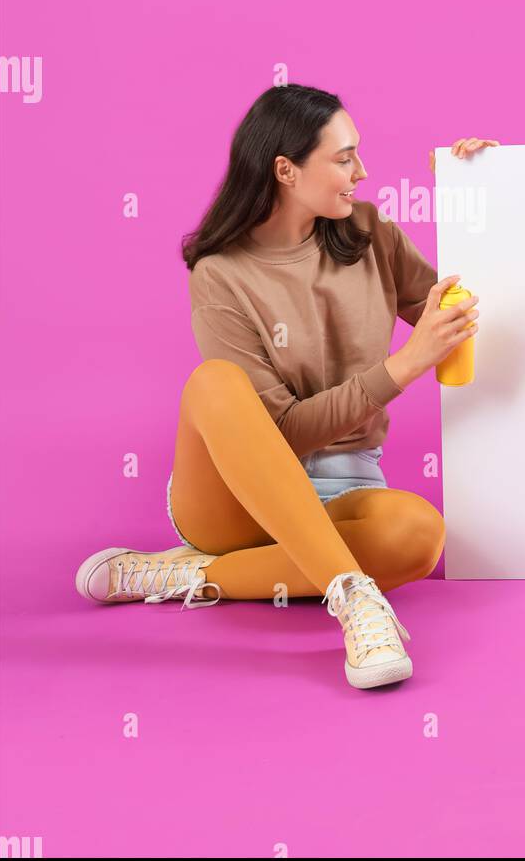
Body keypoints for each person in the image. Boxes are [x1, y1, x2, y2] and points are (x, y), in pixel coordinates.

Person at [75, 81, 498, 690]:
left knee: (419, 536)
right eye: (344, 157)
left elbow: (466, 310)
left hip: (349, 485)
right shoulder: (221, 276)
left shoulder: (370, 233)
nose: (364, 170)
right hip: (234, 502)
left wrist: (477, 198)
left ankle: (188, 577)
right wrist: (405, 366)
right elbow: (281, 432)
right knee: (216, 383)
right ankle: (352, 597)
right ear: (286, 171)